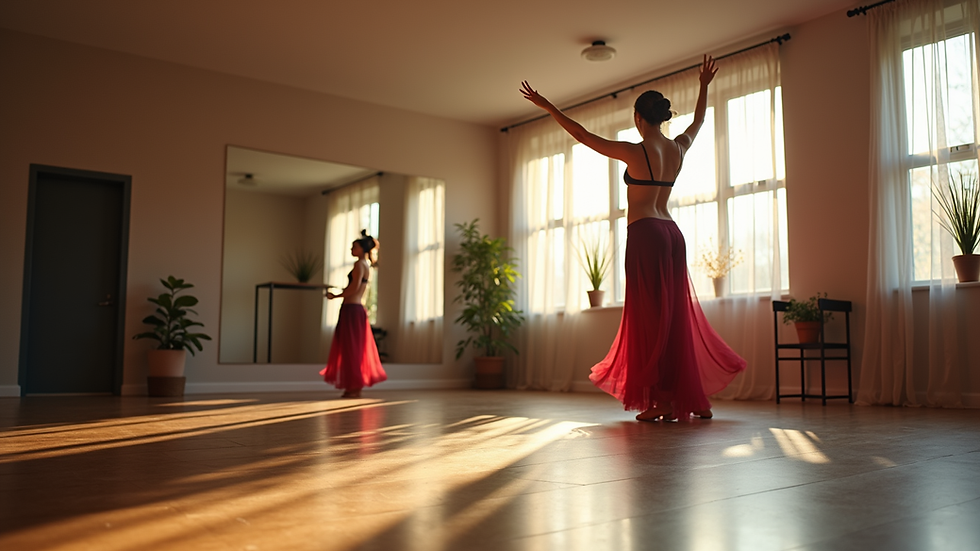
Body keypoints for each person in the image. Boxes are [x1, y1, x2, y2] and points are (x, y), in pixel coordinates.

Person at [520, 55, 746, 421]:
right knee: (674, 318)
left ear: (639, 118)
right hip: (673, 234)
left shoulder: (634, 150)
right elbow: (700, 120)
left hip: (646, 235)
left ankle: (661, 402)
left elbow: (581, 135)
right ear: (662, 117)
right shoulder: (678, 148)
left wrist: (548, 106)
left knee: (650, 319)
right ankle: (692, 399)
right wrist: (704, 86)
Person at [320, 230, 387, 398]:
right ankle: (353, 386)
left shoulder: (359, 265)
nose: (351, 249)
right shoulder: (366, 265)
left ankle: (353, 386)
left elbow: (354, 288)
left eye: (354, 246)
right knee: (354, 349)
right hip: (356, 310)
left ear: (362, 249)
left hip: (352, 310)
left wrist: (335, 295)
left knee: (350, 349)